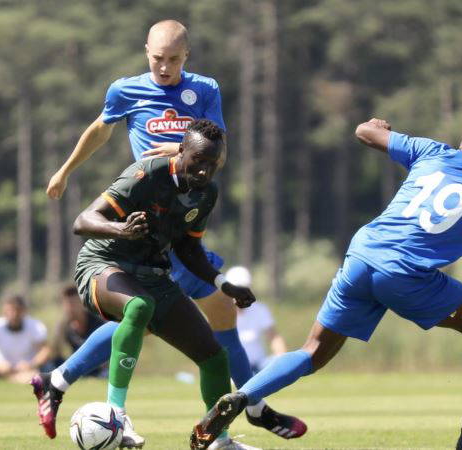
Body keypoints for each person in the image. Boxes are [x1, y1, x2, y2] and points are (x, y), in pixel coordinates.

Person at [190, 119, 462, 450]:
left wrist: (379, 125)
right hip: (405, 274)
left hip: (362, 254)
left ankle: (242, 397)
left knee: (312, 352)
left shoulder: (432, 151)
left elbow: (364, 132)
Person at [39, 19, 305, 447]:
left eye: (174, 60)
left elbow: (218, 149)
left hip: (177, 217)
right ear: (146, 52)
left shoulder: (204, 92)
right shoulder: (127, 95)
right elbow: (101, 130)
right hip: (146, 222)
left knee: (208, 320)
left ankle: (240, 409)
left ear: (187, 56)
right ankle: (246, 404)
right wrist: (66, 170)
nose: (165, 68)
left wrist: (184, 152)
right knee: (142, 314)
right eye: (158, 59)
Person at [36, 119, 258, 450]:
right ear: (181, 151)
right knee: (139, 306)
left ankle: (218, 442)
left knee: (214, 357)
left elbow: (189, 249)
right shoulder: (147, 174)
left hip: (153, 275)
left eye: (212, 164)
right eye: (198, 160)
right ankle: (116, 414)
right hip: (102, 264)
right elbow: (83, 221)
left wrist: (224, 284)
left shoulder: (206, 193)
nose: (204, 171)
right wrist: (121, 230)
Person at [227, 266, 288, 372]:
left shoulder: (260, 309)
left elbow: (274, 337)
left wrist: (283, 360)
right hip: (232, 369)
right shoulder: (221, 312)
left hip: (260, 366)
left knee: (276, 362)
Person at [0, 295, 51, 383]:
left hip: (27, 369)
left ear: (24, 311)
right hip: (1, 369)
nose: (13, 315)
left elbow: (45, 350)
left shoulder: (36, 326)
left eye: (17, 310)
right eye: (9, 311)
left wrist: (31, 364)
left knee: (48, 368)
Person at [49, 284, 106, 376]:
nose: (70, 308)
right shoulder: (64, 326)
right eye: (67, 304)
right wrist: (60, 333)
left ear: (82, 303)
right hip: (78, 366)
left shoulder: (98, 323)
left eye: (73, 304)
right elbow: (55, 352)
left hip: (97, 366)